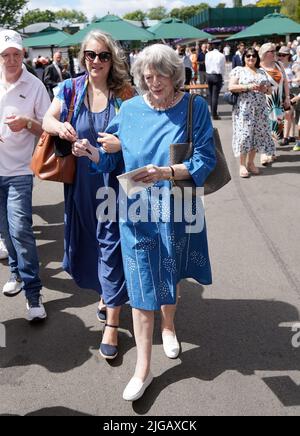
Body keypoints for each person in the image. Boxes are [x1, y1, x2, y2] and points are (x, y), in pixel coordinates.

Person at [73, 44, 216, 401]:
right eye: (147, 76)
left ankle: (169, 326)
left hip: (177, 208)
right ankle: (143, 369)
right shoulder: (130, 108)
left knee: (169, 272)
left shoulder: (193, 107)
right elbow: (111, 162)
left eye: (161, 75)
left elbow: (205, 159)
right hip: (135, 211)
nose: (154, 83)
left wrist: (165, 171)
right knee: (140, 286)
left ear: (175, 74)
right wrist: (92, 152)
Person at [43, 30, 132, 359]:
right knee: (91, 243)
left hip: (111, 182)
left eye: (103, 56)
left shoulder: (124, 93)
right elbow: (46, 118)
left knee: (110, 245)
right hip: (78, 183)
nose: (96, 61)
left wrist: (119, 143)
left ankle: (112, 321)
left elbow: (137, 136)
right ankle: (106, 294)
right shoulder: (70, 88)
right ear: (83, 57)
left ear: (113, 60)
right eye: (91, 55)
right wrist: (59, 128)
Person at [0, 29, 50, 321]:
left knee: (20, 230)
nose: (11, 60)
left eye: (16, 54)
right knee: (6, 232)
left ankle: (33, 293)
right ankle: (17, 274)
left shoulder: (34, 85)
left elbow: (47, 127)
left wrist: (26, 122)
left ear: (24, 54)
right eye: (5, 55)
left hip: (20, 170)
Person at [229, 47, 274, 178]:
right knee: (244, 135)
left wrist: (264, 88)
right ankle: (242, 165)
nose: (251, 58)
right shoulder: (239, 71)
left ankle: (250, 163)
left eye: (253, 56)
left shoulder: (261, 72)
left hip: (260, 109)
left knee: (256, 135)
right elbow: (231, 87)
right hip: (244, 109)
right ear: (244, 58)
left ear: (257, 58)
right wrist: (248, 87)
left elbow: (269, 91)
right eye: (248, 56)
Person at [259, 43, 290, 165]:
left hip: (278, 101)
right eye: (270, 51)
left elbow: (286, 82)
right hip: (264, 102)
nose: (273, 53)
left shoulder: (279, 65)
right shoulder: (259, 68)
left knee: (276, 127)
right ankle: (264, 154)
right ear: (264, 53)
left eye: (274, 51)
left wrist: (287, 97)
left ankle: (271, 151)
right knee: (264, 127)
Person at [205, 41, 226, 120]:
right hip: (216, 76)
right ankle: (214, 114)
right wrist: (222, 77)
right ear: (219, 47)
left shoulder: (207, 54)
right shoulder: (221, 55)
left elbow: (206, 65)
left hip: (209, 75)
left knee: (211, 95)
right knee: (215, 96)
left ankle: (212, 112)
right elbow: (223, 68)